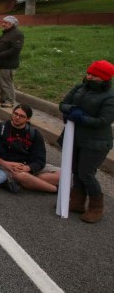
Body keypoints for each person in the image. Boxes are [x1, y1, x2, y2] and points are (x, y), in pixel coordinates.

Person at [59, 60, 114, 223]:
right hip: (75, 138)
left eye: (93, 75)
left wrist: (82, 118)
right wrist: (71, 110)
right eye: (88, 73)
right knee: (76, 169)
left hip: (96, 143)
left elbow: (103, 121)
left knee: (86, 173)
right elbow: (63, 104)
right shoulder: (79, 88)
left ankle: (96, 207)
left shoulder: (110, 97)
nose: (88, 76)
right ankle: (77, 202)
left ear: (103, 78)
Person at [0, 104, 60, 194]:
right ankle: (55, 189)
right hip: (8, 166)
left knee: (66, 175)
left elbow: (40, 159)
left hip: (28, 166)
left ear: (28, 119)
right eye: (15, 114)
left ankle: (33, 182)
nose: (17, 117)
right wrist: (5, 163)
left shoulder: (34, 134)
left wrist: (28, 167)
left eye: (22, 116)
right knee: (22, 176)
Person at [0, 15, 24, 108]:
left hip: (6, 63)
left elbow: (16, 49)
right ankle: (1, 97)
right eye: (3, 22)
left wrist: (1, 55)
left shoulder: (17, 34)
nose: (3, 24)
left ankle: (10, 100)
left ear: (12, 24)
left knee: (6, 83)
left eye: (5, 22)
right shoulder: (7, 33)